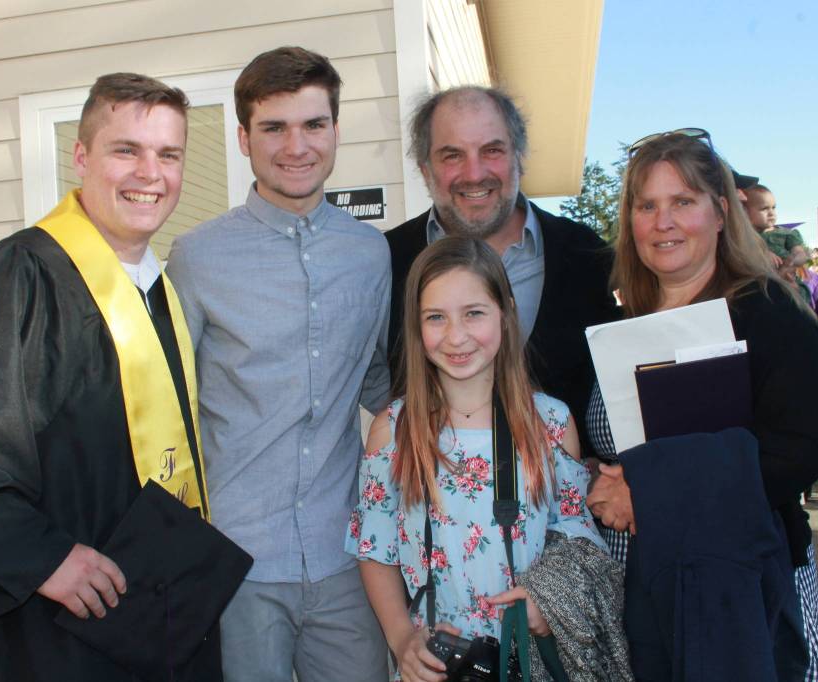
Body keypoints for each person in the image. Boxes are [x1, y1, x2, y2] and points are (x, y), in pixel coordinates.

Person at [0, 73, 222, 679]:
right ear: (81, 157)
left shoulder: (159, 292)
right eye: (127, 150)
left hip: (135, 609)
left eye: (168, 154)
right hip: (41, 631)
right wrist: (41, 559)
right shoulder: (13, 277)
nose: (151, 174)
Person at [166, 47, 390, 682]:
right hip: (237, 561)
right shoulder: (196, 257)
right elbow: (165, 399)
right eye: (274, 127)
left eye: (313, 124)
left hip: (347, 556)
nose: (297, 145)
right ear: (243, 138)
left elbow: (379, 378)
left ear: (336, 130)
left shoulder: (369, 254)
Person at [585, 130, 818, 680]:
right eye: (646, 206)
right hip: (641, 583)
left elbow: (805, 449)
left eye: (682, 202)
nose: (662, 221)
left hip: (740, 586)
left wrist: (647, 490)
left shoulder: (769, 313)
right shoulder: (625, 324)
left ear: (721, 212)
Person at [349, 237, 629, 682]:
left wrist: (549, 601)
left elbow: (576, 537)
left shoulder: (551, 423)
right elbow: (375, 549)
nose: (456, 336)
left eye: (474, 313)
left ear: (506, 313)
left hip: (532, 659)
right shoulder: (393, 430)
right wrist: (402, 639)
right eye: (436, 318)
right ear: (416, 327)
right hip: (438, 665)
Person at [385, 86, 619, 438]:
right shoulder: (386, 262)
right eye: (452, 155)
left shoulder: (589, 256)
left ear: (519, 156)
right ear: (425, 169)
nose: (474, 173)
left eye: (491, 150)